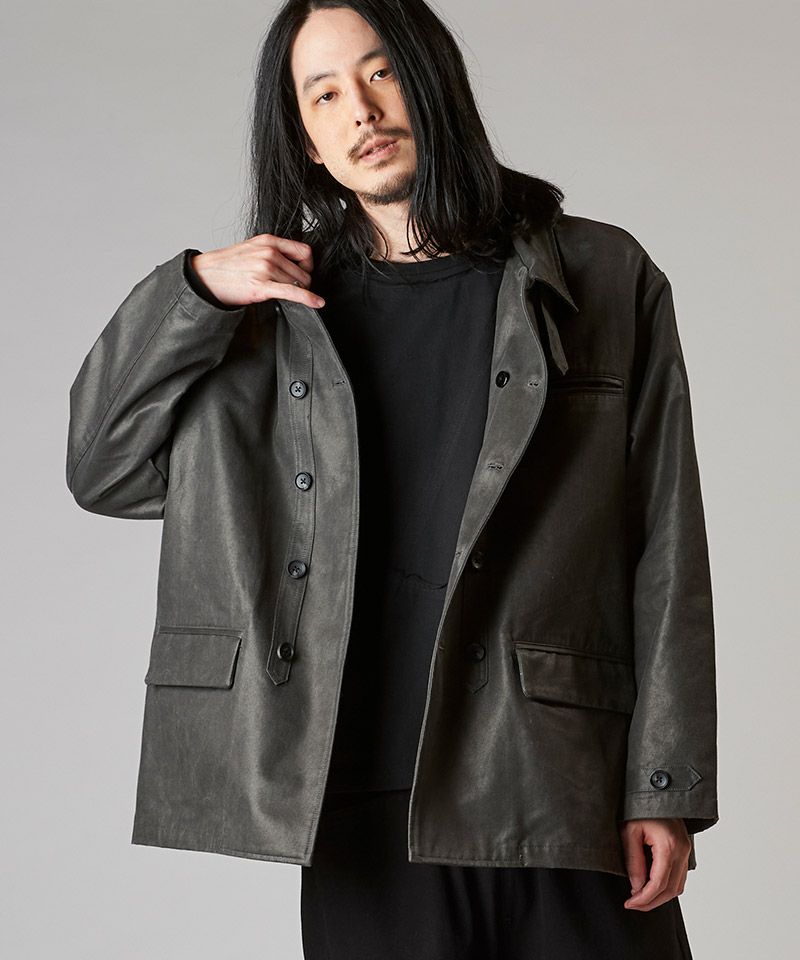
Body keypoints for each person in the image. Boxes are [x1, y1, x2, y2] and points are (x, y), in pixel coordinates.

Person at [66, 1, 718, 957]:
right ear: (305, 138)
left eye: (380, 73)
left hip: (554, 784)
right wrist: (193, 290)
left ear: (434, 77)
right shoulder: (267, 314)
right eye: (323, 94)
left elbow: (665, 541)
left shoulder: (603, 275)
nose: (361, 112)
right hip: (359, 801)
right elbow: (104, 468)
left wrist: (663, 783)